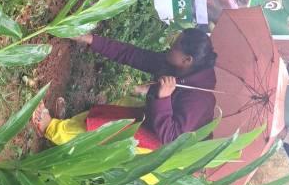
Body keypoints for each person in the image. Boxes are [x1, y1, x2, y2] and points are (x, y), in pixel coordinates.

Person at [31, 28, 217, 148]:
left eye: (175, 46)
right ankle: (71, 126)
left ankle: (51, 129)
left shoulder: (198, 99)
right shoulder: (178, 66)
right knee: (123, 105)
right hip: (158, 120)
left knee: (109, 128)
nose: (170, 46)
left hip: (162, 148)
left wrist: (164, 98)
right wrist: (89, 39)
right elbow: (133, 55)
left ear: (187, 60)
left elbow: (171, 137)